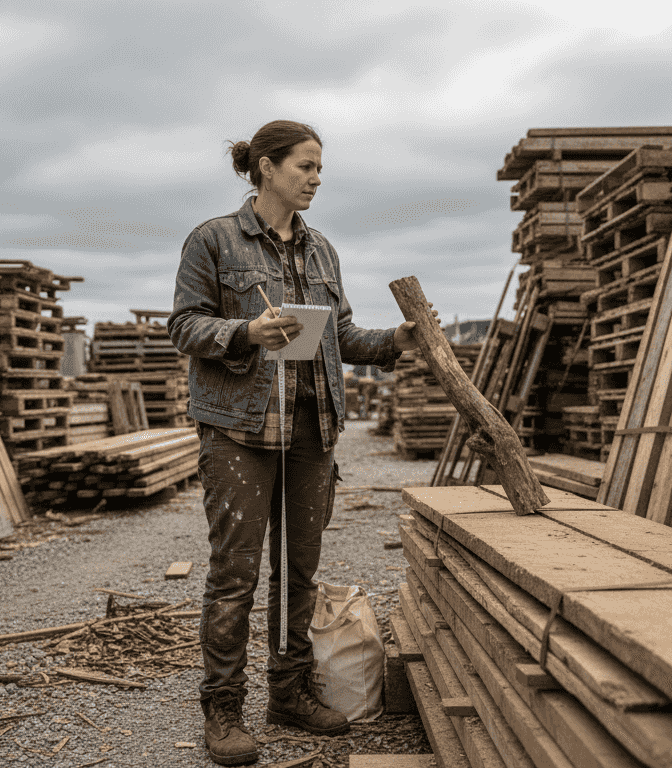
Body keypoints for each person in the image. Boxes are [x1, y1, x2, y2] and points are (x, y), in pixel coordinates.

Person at [169, 119, 433, 766]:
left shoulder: (322, 253)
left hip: (312, 430)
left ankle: (288, 692)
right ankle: (223, 709)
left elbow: (339, 335)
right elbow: (183, 325)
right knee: (235, 574)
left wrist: (393, 345)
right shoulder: (213, 241)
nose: (317, 178)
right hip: (240, 429)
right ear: (266, 167)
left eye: (320, 168)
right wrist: (243, 334)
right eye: (305, 166)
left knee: (299, 572)